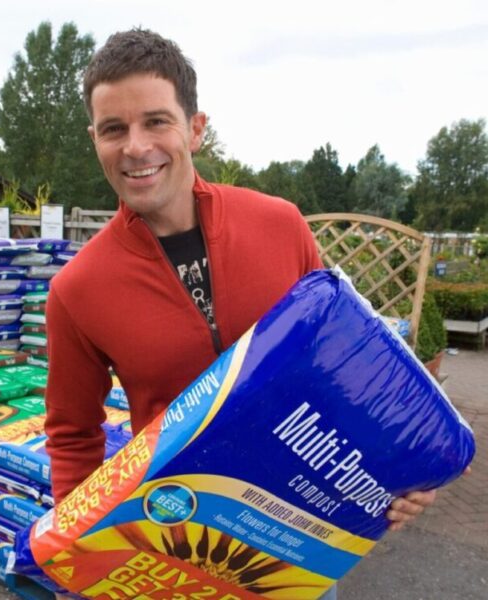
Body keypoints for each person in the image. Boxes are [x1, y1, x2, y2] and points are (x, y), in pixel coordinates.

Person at [43, 28, 436, 599]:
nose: (135, 146)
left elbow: (343, 365)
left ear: (195, 128)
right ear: (95, 140)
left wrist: (399, 476)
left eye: (156, 120)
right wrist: (79, 559)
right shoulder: (78, 290)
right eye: (113, 129)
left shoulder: (280, 225)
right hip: (178, 543)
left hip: (301, 539)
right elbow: (73, 435)